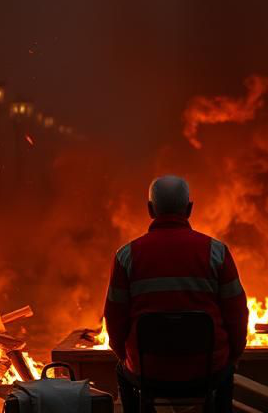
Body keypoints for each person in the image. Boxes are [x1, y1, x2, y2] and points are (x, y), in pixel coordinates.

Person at [103, 176, 249, 413]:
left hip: (147, 372)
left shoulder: (126, 256)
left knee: (122, 370)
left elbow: (114, 321)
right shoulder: (217, 252)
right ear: (189, 209)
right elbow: (237, 315)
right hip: (208, 371)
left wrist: (128, 357)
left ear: (150, 209)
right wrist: (232, 356)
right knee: (226, 374)